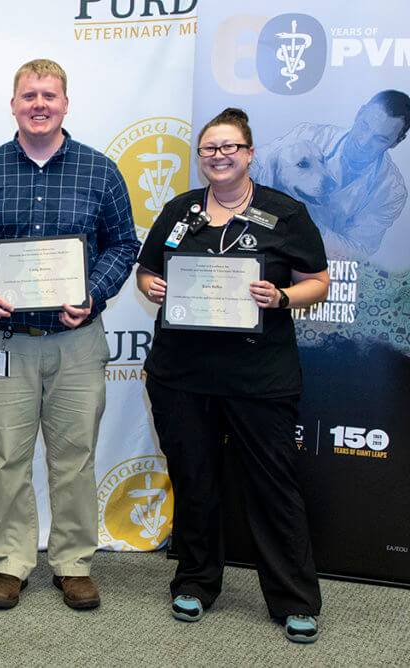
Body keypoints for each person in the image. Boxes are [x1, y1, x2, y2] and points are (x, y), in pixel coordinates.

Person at [0, 59, 139, 611]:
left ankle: (73, 561)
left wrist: (94, 294)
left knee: (74, 455)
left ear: (65, 104)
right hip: (5, 340)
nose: (39, 104)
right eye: (29, 95)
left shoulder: (100, 171)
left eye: (49, 95)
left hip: (76, 342)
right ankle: (10, 560)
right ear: (13, 105)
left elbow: (124, 244)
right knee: (6, 455)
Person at [136, 108, 329, 643]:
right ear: (200, 159)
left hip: (258, 375)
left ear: (249, 153)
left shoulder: (284, 213)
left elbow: (319, 280)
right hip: (182, 374)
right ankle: (196, 583)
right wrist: (151, 286)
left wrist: (283, 296)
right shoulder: (179, 211)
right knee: (195, 480)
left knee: (273, 486)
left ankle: (294, 600)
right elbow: (148, 271)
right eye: (209, 149)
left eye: (229, 147)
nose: (219, 156)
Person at [253, 89, 410, 258]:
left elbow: (358, 252)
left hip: (321, 267)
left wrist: (311, 225)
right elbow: (252, 163)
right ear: (359, 113)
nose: (363, 142)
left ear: (397, 141)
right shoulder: (309, 136)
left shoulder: (392, 192)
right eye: (364, 126)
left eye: (380, 139)